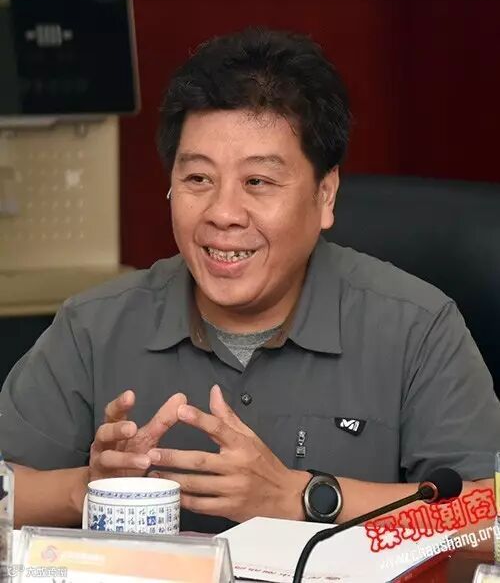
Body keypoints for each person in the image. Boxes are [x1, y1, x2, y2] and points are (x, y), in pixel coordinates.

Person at [1, 28, 499, 534]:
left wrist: (302, 497)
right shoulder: (94, 326)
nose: (223, 213)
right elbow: (9, 488)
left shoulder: (417, 327)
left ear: (325, 195)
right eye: (198, 179)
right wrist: (87, 487)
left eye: (257, 182)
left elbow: (489, 518)